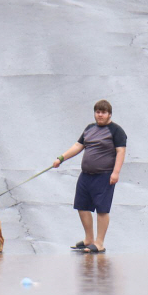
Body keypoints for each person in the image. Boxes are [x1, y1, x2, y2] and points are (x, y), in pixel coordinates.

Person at [52, 100, 127, 254]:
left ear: (109, 114)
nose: (100, 115)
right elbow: (78, 146)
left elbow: (121, 151)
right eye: (97, 112)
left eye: (103, 112)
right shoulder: (89, 129)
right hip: (86, 175)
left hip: (104, 175)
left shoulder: (116, 131)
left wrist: (116, 172)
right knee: (82, 206)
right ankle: (89, 239)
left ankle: (99, 243)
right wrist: (61, 158)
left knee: (102, 209)